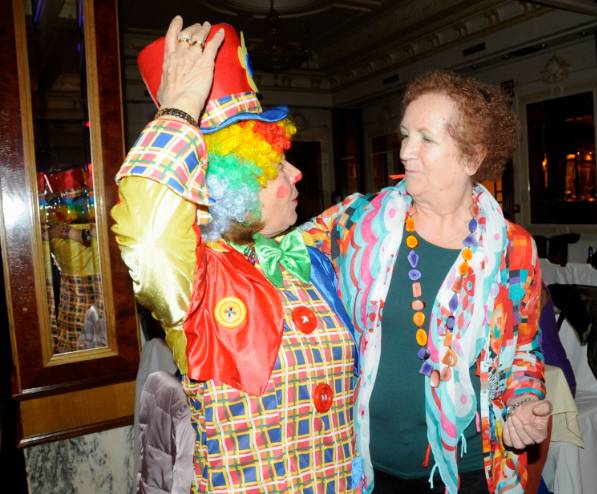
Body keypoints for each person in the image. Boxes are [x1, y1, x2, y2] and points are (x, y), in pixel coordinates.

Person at [112, 18, 359, 492]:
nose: (296, 173)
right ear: (230, 182)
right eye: (274, 165)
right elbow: (148, 236)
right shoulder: (197, 280)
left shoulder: (307, 255)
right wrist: (179, 110)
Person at [303, 71, 550, 493]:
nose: (404, 152)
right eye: (405, 135)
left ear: (472, 157)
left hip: (470, 466)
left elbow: (523, 351)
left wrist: (524, 402)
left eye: (425, 139)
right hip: (365, 462)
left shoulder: (514, 248)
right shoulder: (355, 221)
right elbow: (272, 260)